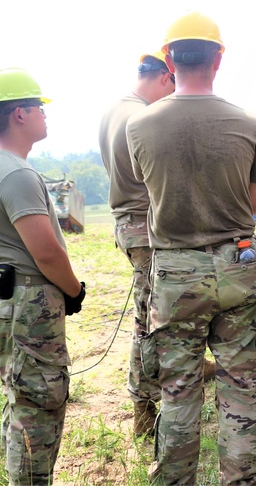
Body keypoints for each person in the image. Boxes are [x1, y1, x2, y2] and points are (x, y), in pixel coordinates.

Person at [126, 11, 256, 486]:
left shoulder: (140, 126)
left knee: (178, 392)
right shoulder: (248, 123)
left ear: (169, 59)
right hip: (238, 263)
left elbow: (149, 190)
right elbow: (254, 200)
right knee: (241, 387)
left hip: (174, 273)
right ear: (219, 59)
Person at [0, 67, 86, 486]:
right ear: (19, 114)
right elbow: (46, 251)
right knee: (37, 407)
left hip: (10, 297)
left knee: (22, 402)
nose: (44, 114)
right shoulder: (16, 173)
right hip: (27, 302)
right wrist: (74, 291)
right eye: (38, 107)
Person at [97, 51, 175, 438]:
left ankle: (149, 396)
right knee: (149, 320)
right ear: (164, 78)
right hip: (146, 228)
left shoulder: (114, 111)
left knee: (151, 312)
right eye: (174, 86)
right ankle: (143, 408)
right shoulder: (142, 118)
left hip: (129, 225)